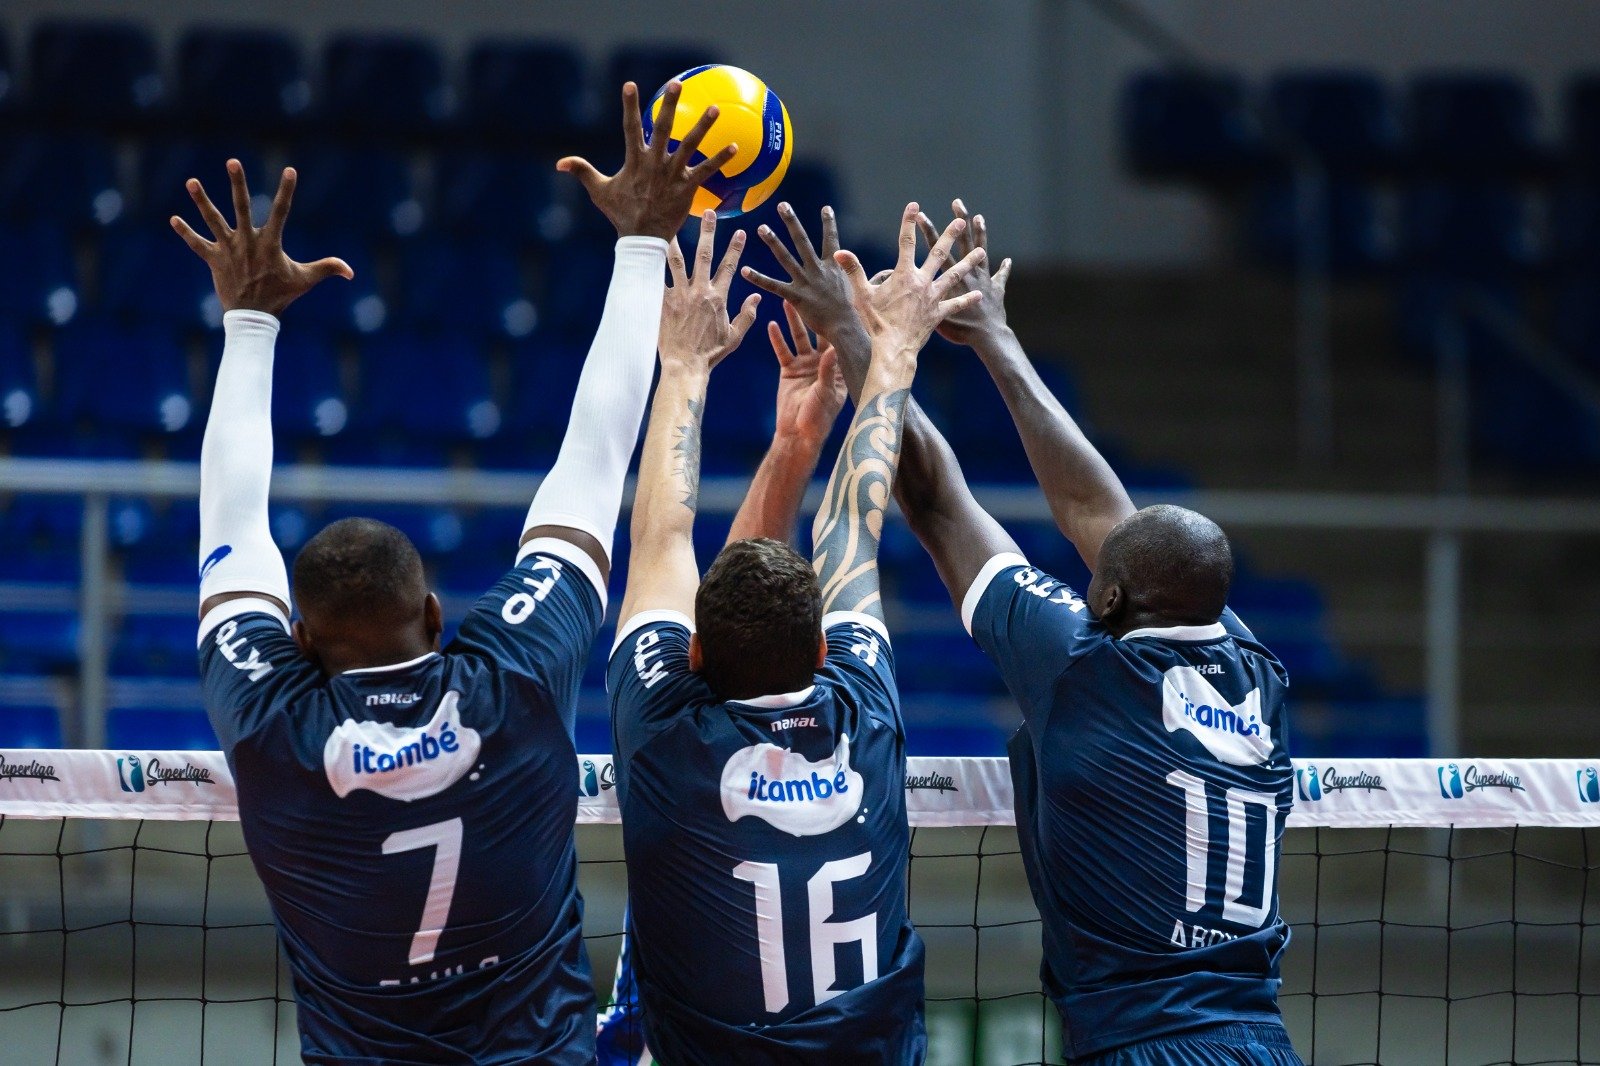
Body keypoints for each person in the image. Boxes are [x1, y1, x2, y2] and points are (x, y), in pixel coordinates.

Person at [176, 81, 732, 1064]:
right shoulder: (511, 679)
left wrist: (248, 325)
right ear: (435, 614)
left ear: (300, 641)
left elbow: (229, 523)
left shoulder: (271, 721)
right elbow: (596, 460)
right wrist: (644, 240)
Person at [744, 202, 1302, 1065]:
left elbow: (933, 499)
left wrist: (862, 339)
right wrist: (999, 344)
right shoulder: (1257, 674)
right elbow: (1108, 522)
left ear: (1110, 599)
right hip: (1262, 1040)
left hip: (1138, 1048)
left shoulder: (1083, 669)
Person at [606, 203, 983, 1064]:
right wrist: (879, 360)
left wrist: (685, 365)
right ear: (822, 650)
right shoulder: (865, 715)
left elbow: (662, 538)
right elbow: (851, 531)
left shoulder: (664, 734)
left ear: (693, 657)